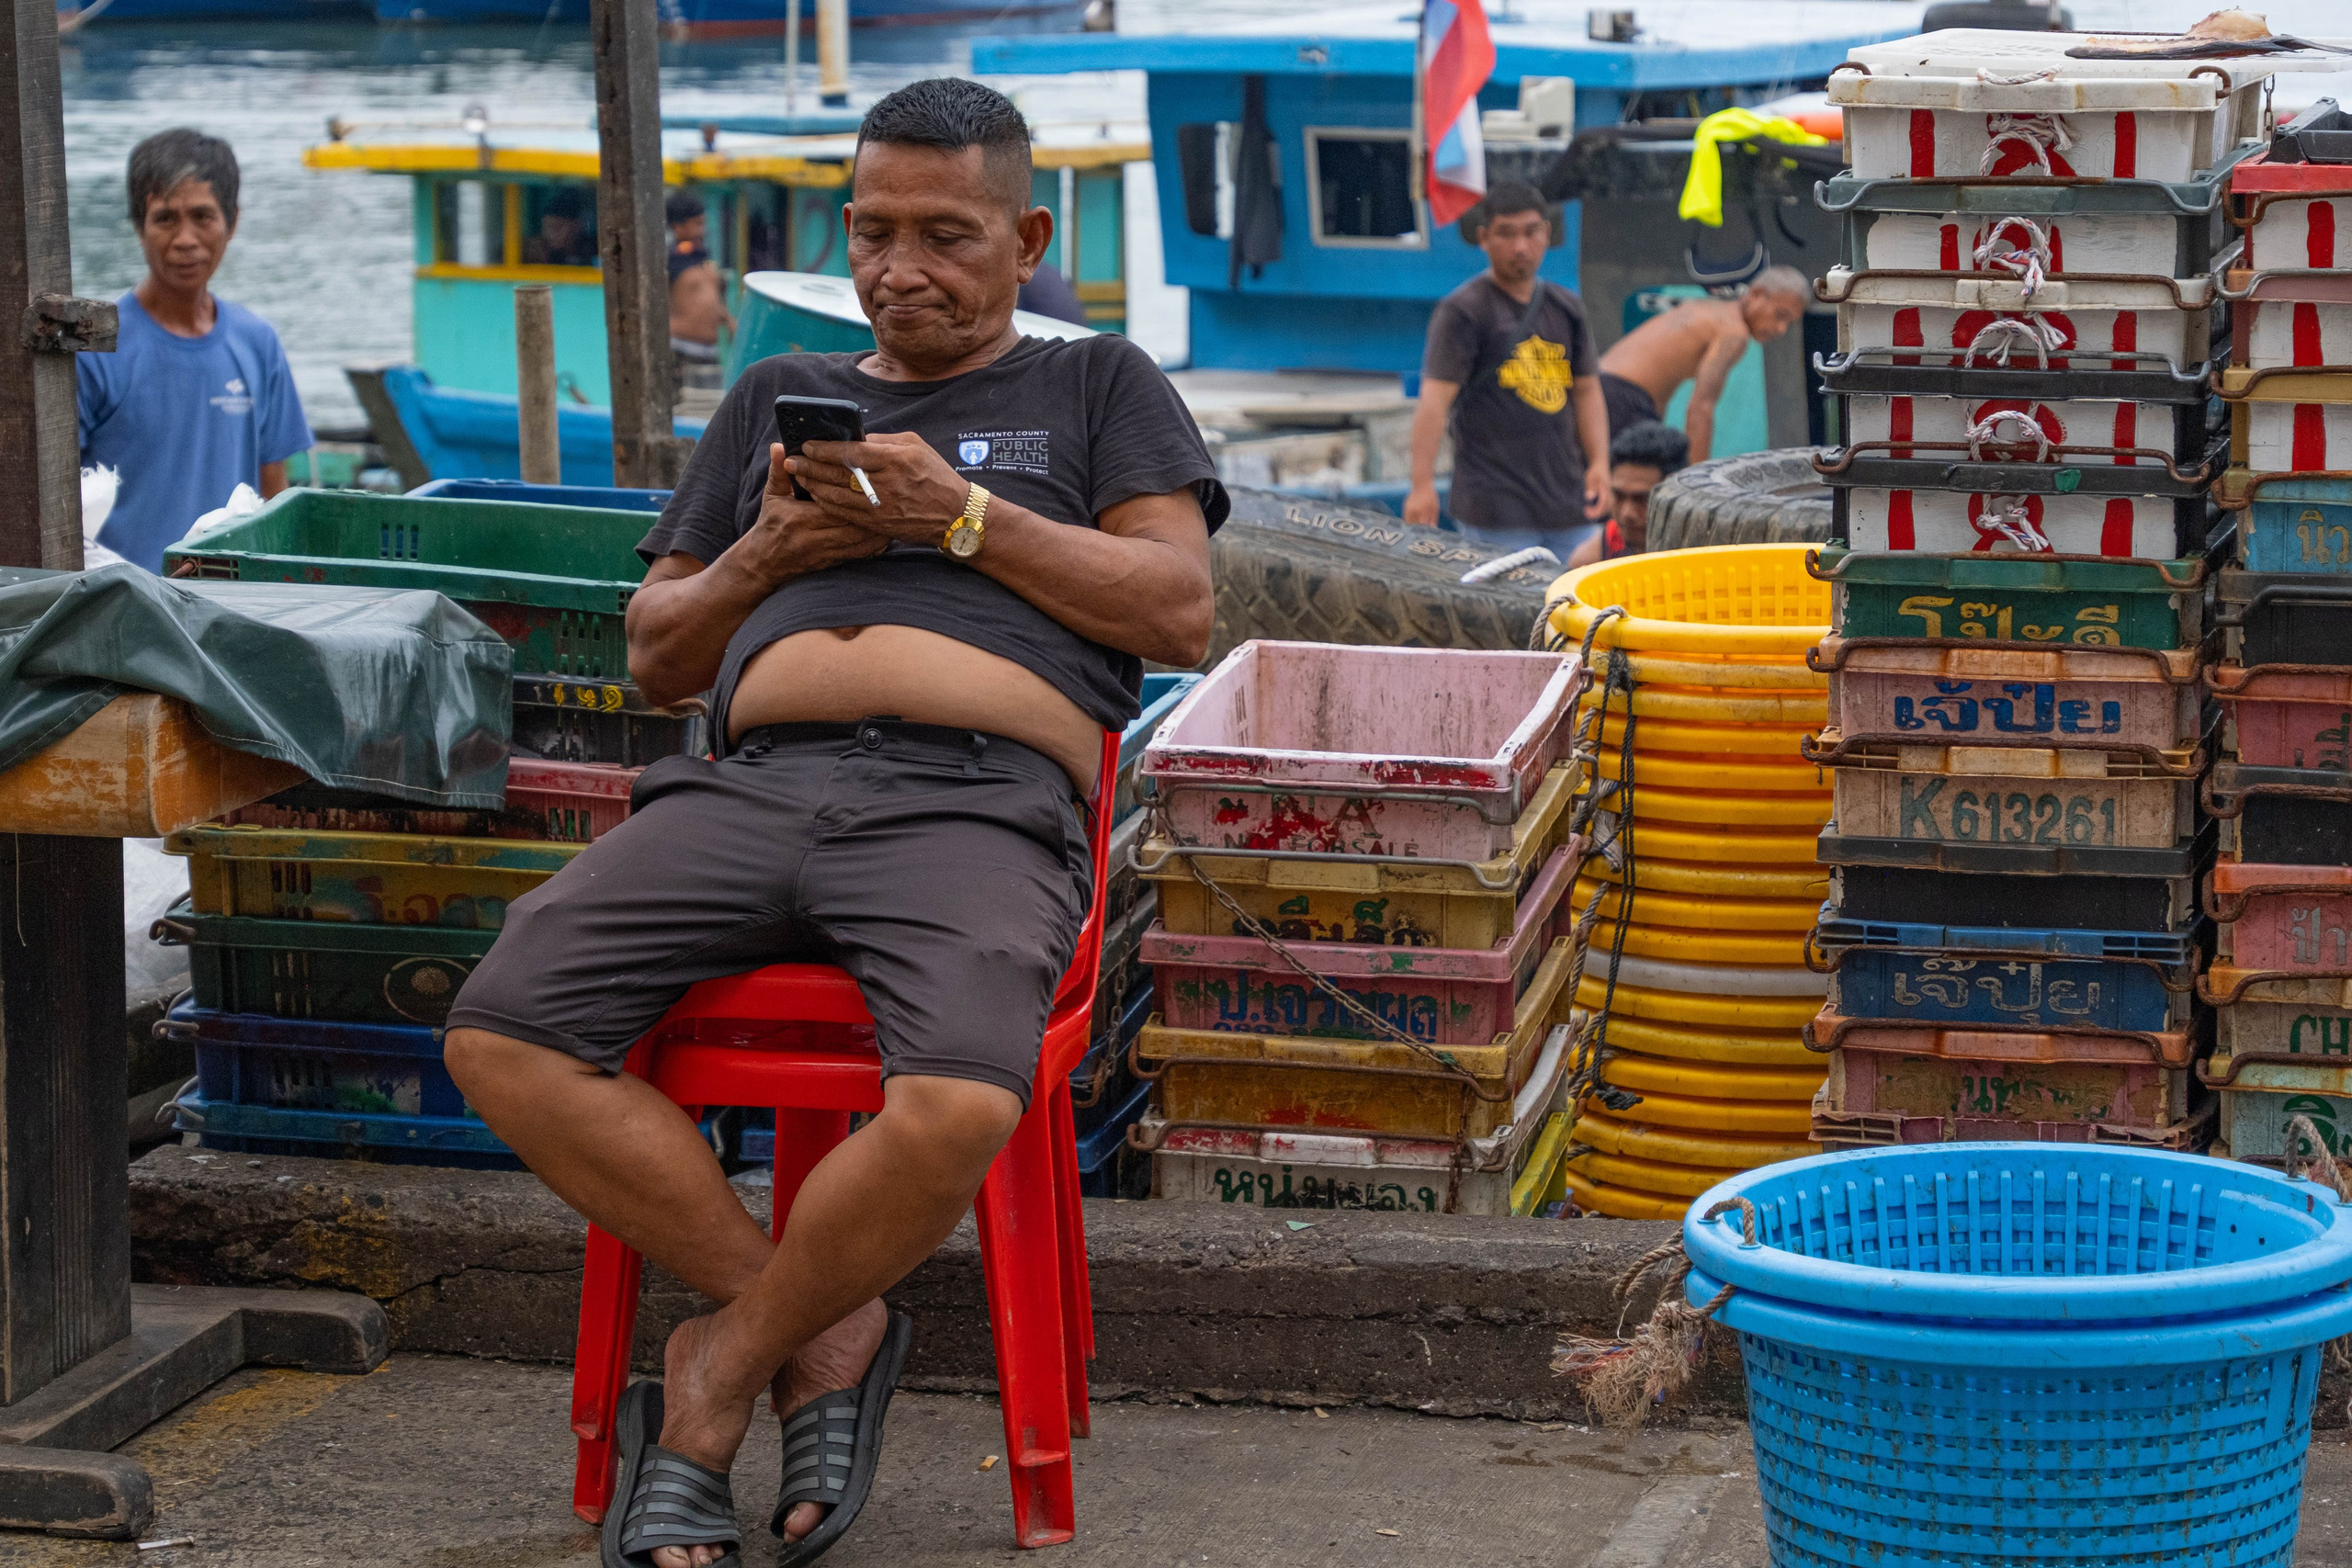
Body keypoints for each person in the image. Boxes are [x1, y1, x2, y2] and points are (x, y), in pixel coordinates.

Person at [442, 76, 1223, 1568]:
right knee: (500, 1026)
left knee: (954, 1102)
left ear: (1026, 237)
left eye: (944, 234)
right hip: (751, 787)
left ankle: (717, 1372)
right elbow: (656, 651)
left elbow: (1179, 609)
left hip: (976, 805)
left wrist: (964, 519)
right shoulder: (774, 399)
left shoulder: (1096, 388)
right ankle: (829, 1326)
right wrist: (767, 551)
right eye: (872, 230)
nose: (899, 267)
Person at [76, 130, 311, 575]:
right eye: (165, 219)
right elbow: (55, 508)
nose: (185, 239)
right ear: (138, 226)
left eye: (202, 216)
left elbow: (275, 496)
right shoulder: (96, 348)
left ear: (232, 222)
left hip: (231, 607)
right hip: (120, 608)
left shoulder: (257, 343)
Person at [1404, 180, 1609, 553]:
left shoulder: (1567, 307)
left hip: (1567, 504)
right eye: (1506, 234)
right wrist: (1422, 485)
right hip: (1494, 510)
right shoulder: (1463, 312)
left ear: (1547, 233)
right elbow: (1433, 402)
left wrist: (1599, 464)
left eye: (1531, 232)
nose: (1520, 247)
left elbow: (1587, 389)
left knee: (1580, 603)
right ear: (1484, 238)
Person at [1597, 266, 1808, 462]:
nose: (1781, 329)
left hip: (1602, 386)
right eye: (1780, 315)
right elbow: (1701, 407)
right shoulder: (1734, 333)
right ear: (1755, 294)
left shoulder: (1708, 310)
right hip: (1619, 397)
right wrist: (1697, 482)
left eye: (1789, 323)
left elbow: (1665, 380)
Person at [1566, 419, 1689, 568]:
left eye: (1642, 499)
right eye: (1618, 496)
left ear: (1677, 497)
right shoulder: (1603, 549)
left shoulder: (1703, 548)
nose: (1626, 513)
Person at [669, 244, 735, 393]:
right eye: (697, 223)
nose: (702, 230)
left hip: (710, 354)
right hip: (681, 349)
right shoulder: (674, 267)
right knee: (680, 404)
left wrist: (729, 322)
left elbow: (714, 306)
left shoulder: (708, 272)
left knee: (708, 407)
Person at [524, 186, 598, 266]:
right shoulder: (539, 252)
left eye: (556, 227)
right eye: (545, 228)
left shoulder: (594, 249)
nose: (549, 234)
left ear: (577, 226)